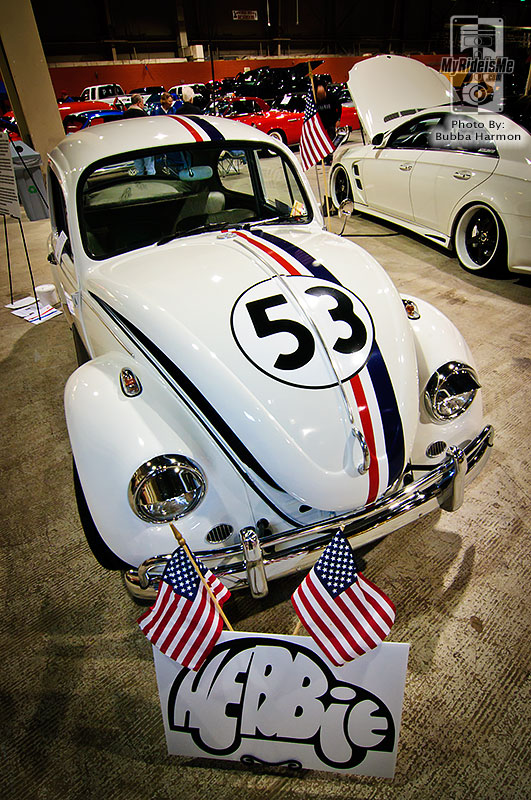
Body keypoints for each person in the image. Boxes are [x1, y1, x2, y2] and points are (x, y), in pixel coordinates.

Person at [122, 94, 155, 175]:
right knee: (150, 168)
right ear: (139, 103)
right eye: (142, 103)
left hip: (133, 146)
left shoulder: (125, 115)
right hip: (146, 145)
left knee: (138, 169)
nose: (143, 105)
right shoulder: (143, 115)